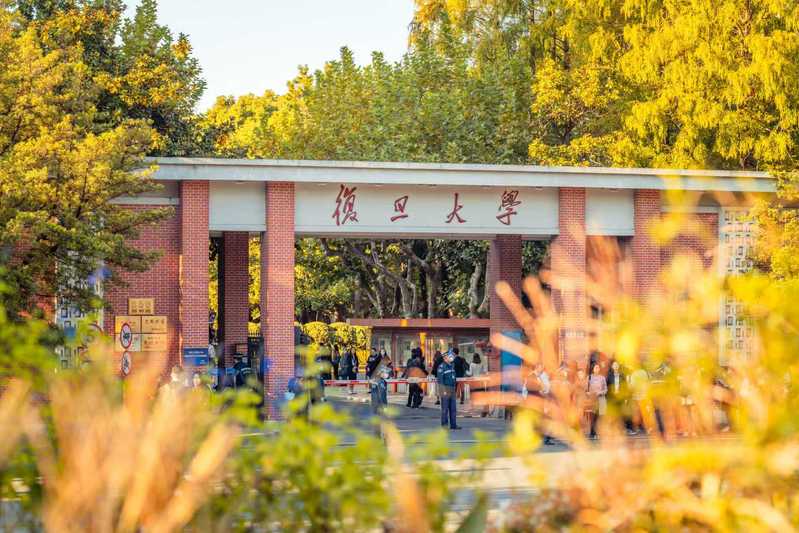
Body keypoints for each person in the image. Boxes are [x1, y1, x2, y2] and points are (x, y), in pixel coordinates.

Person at [438, 350, 461, 429]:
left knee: (453, 408)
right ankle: (444, 425)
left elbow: (453, 378)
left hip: (452, 389)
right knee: (445, 409)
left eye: (452, 356)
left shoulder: (452, 365)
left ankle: (453, 425)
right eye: (450, 356)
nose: (452, 358)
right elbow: (440, 380)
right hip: (445, 389)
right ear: (445, 358)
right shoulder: (442, 367)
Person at [587, 363, 608, 439]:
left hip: (601, 399)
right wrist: (590, 393)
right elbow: (586, 389)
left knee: (600, 417)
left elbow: (606, 389)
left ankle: (598, 433)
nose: (597, 369)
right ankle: (592, 433)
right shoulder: (589, 377)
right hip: (593, 399)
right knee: (593, 417)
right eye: (595, 367)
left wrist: (600, 392)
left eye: (598, 367)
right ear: (593, 369)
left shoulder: (602, 378)